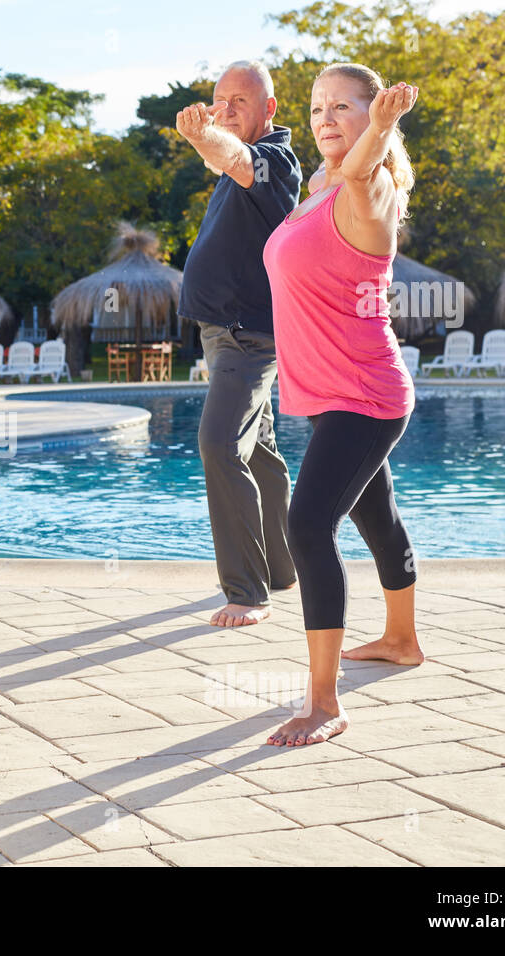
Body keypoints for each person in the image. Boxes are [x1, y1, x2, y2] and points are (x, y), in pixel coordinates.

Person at [261, 65, 424, 746]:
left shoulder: (371, 186)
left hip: (365, 395)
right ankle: (401, 640)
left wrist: (383, 128)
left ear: (374, 115)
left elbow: (361, 173)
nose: (326, 117)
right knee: (377, 515)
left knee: (307, 526)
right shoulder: (314, 192)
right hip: (333, 396)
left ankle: (324, 703)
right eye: (318, 107)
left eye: (345, 107)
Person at [174, 60, 300, 629]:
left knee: (220, 446)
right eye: (219, 99)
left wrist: (204, 133)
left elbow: (235, 157)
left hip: (248, 336)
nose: (226, 110)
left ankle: (247, 593)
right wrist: (211, 139)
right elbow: (224, 156)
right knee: (261, 453)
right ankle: (283, 566)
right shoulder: (232, 164)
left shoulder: (276, 159)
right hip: (222, 331)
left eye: (239, 102)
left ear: (268, 109)